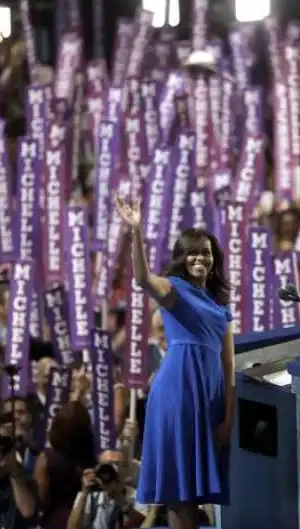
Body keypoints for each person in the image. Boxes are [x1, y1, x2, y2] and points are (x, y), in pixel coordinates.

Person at [115, 197, 235, 529]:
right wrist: (135, 231)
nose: (200, 257)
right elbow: (141, 278)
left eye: (206, 252)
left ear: (214, 260)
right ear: (182, 258)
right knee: (180, 493)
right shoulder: (173, 291)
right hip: (178, 393)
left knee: (192, 495)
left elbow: (229, 368)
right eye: (193, 252)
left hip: (208, 399)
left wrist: (228, 417)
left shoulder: (221, 306)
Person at [34, 401, 97, 529]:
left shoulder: (47, 458)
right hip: (87, 516)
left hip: (55, 519)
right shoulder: (91, 456)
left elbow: (41, 496)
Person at [66, 463, 147, 529]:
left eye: (117, 464)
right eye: (106, 466)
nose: (109, 472)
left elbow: (146, 524)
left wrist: (122, 502)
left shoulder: (137, 496)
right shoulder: (90, 494)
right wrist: (84, 493)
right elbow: (72, 527)